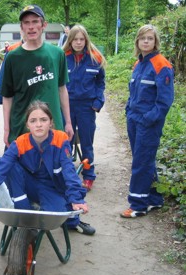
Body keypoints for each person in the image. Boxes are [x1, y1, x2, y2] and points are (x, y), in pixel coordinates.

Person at [0, 101, 95, 235]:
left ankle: (72, 223)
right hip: (26, 187)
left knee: (62, 212)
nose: (39, 124)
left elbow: (69, 171)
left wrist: (76, 198)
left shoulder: (60, 140)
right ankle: (25, 215)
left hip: (52, 187)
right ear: (27, 125)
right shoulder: (20, 143)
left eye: (43, 119)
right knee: (9, 165)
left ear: (51, 122)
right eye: (33, 121)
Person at [1, 4, 74, 147]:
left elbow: (62, 89)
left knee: (54, 167)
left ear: (43, 25)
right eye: (26, 23)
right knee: (21, 167)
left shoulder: (57, 54)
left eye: (35, 22)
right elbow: (7, 96)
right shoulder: (12, 57)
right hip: (22, 127)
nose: (31, 27)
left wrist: (68, 122)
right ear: (21, 27)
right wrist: (6, 129)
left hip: (52, 125)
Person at [121, 24, 174, 218]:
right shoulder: (139, 64)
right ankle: (153, 198)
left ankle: (138, 205)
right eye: (143, 38)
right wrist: (129, 111)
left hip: (148, 123)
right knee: (144, 160)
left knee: (141, 163)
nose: (146, 41)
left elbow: (165, 101)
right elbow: (133, 92)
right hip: (134, 119)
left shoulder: (162, 65)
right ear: (137, 41)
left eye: (150, 38)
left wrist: (148, 119)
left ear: (155, 42)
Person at [62, 25, 106, 191]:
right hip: (67, 106)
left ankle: (88, 175)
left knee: (87, 143)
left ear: (86, 40)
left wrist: (98, 103)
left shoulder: (95, 58)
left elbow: (101, 83)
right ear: (70, 40)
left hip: (87, 108)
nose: (78, 42)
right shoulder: (62, 57)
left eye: (82, 39)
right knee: (66, 141)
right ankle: (67, 175)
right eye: (75, 39)